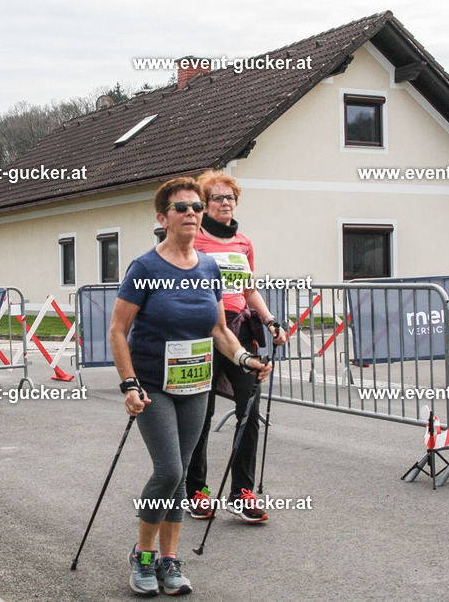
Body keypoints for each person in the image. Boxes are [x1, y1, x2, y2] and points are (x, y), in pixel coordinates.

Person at [110, 177, 272, 596]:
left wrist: (246, 360)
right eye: (181, 207)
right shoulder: (145, 268)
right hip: (153, 384)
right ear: (162, 217)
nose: (191, 213)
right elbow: (118, 329)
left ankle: (169, 559)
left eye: (196, 207)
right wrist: (128, 384)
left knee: (180, 476)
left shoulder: (208, 267)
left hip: (195, 383)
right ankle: (143, 555)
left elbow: (220, 330)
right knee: (169, 471)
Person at [186, 171, 287, 524]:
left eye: (230, 197)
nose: (225, 203)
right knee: (201, 413)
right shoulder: (194, 239)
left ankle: (242, 493)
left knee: (249, 408)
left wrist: (271, 320)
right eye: (217, 198)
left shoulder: (244, 242)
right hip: (202, 331)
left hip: (239, 333)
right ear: (204, 204)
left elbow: (248, 289)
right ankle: (196, 491)